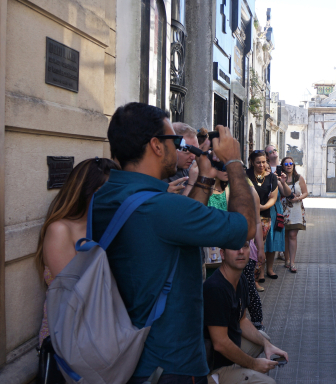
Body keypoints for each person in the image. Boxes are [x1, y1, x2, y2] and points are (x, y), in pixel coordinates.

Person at [93, 102, 256, 383]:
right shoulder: (161, 208)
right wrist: (234, 163)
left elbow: (181, 229)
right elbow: (246, 228)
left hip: (124, 356)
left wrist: (204, 178)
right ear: (156, 145)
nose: (179, 148)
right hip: (171, 365)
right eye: (174, 141)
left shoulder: (104, 196)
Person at [34, 157, 119, 383]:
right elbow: (76, 294)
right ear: (85, 191)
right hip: (69, 342)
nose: (113, 198)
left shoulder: (106, 222)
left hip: (102, 338)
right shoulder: (60, 229)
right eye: (105, 191)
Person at [204, 242, 289, 384]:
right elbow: (220, 343)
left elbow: (242, 320)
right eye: (234, 247)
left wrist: (267, 345)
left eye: (244, 246)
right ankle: (220, 378)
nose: (241, 251)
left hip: (227, 351)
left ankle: (241, 369)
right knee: (268, 383)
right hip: (213, 365)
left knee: (263, 338)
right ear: (222, 254)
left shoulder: (240, 279)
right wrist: (254, 364)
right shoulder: (215, 288)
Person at [207, 165, 267, 329]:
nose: (226, 170)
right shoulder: (205, 189)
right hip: (210, 254)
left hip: (237, 249)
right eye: (221, 166)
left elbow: (255, 220)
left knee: (243, 287)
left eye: (230, 166)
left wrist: (259, 248)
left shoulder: (242, 189)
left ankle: (251, 323)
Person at [246, 151, 289, 287]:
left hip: (264, 217)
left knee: (260, 248)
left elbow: (273, 197)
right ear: (252, 162)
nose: (261, 165)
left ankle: (256, 280)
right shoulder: (245, 175)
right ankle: (246, 278)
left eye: (264, 162)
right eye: (258, 162)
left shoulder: (271, 177)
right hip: (247, 216)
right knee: (247, 248)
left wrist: (262, 207)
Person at [280, 157, 308, 273]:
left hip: (296, 209)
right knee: (285, 235)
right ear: (282, 166)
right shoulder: (280, 178)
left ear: (293, 165)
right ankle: (286, 259)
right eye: (286, 164)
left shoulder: (299, 178)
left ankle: (292, 262)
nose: (289, 165)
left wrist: (298, 198)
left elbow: (306, 192)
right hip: (283, 208)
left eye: (291, 163)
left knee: (292, 235)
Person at [264, 145, 287, 271]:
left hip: (277, 206)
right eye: (271, 151)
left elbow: (286, 192)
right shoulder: (262, 174)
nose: (274, 152)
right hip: (265, 207)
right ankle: (261, 270)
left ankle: (270, 268)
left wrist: (280, 181)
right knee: (265, 238)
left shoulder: (281, 169)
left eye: (275, 150)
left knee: (274, 236)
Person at [164, 122, 199, 195]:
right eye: (187, 152)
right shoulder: (159, 173)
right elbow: (183, 205)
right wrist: (191, 183)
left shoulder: (190, 167)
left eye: (196, 151)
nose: (193, 157)